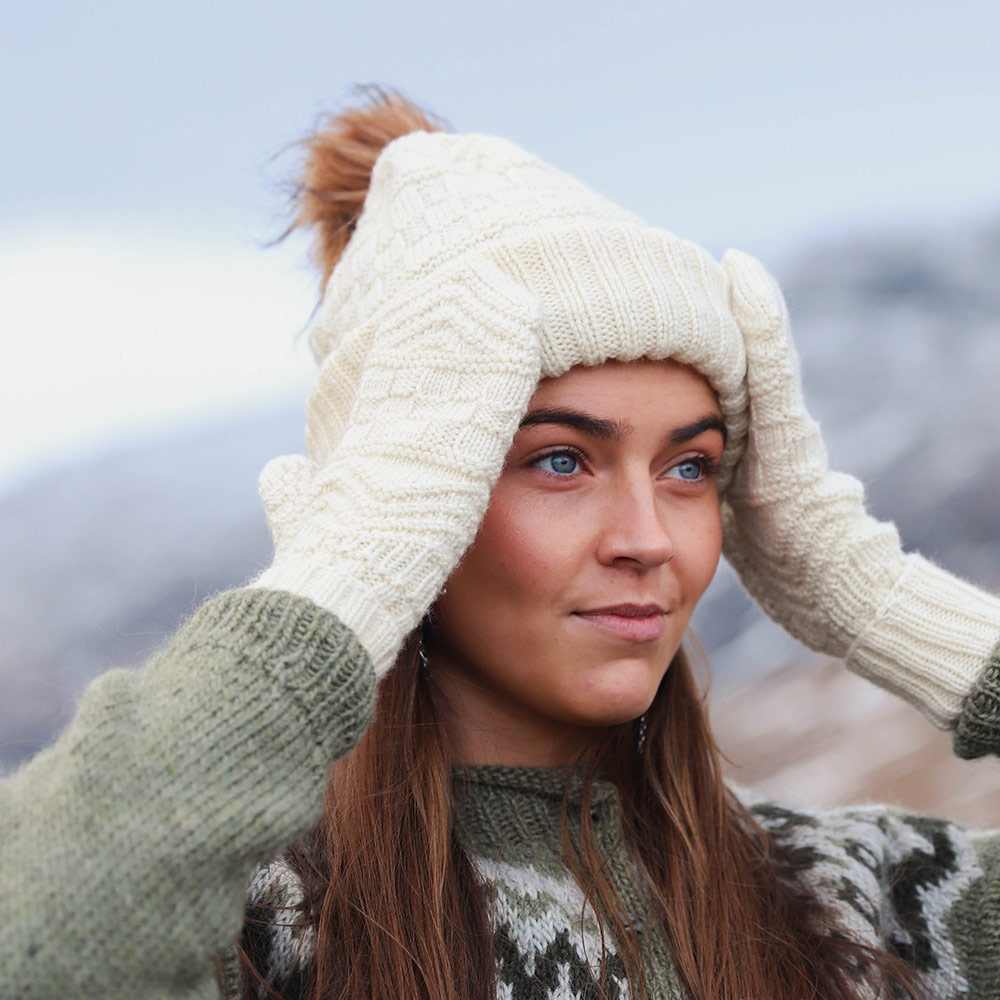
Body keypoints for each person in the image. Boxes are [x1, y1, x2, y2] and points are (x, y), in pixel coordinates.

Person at [3, 90, 1000, 1000]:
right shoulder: (260, 926)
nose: (650, 539)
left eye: (690, 468)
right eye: (561, 461)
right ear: (414, 492)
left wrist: (868, 592)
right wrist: (347, 575)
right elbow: (35, 952)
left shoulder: (852, 901)